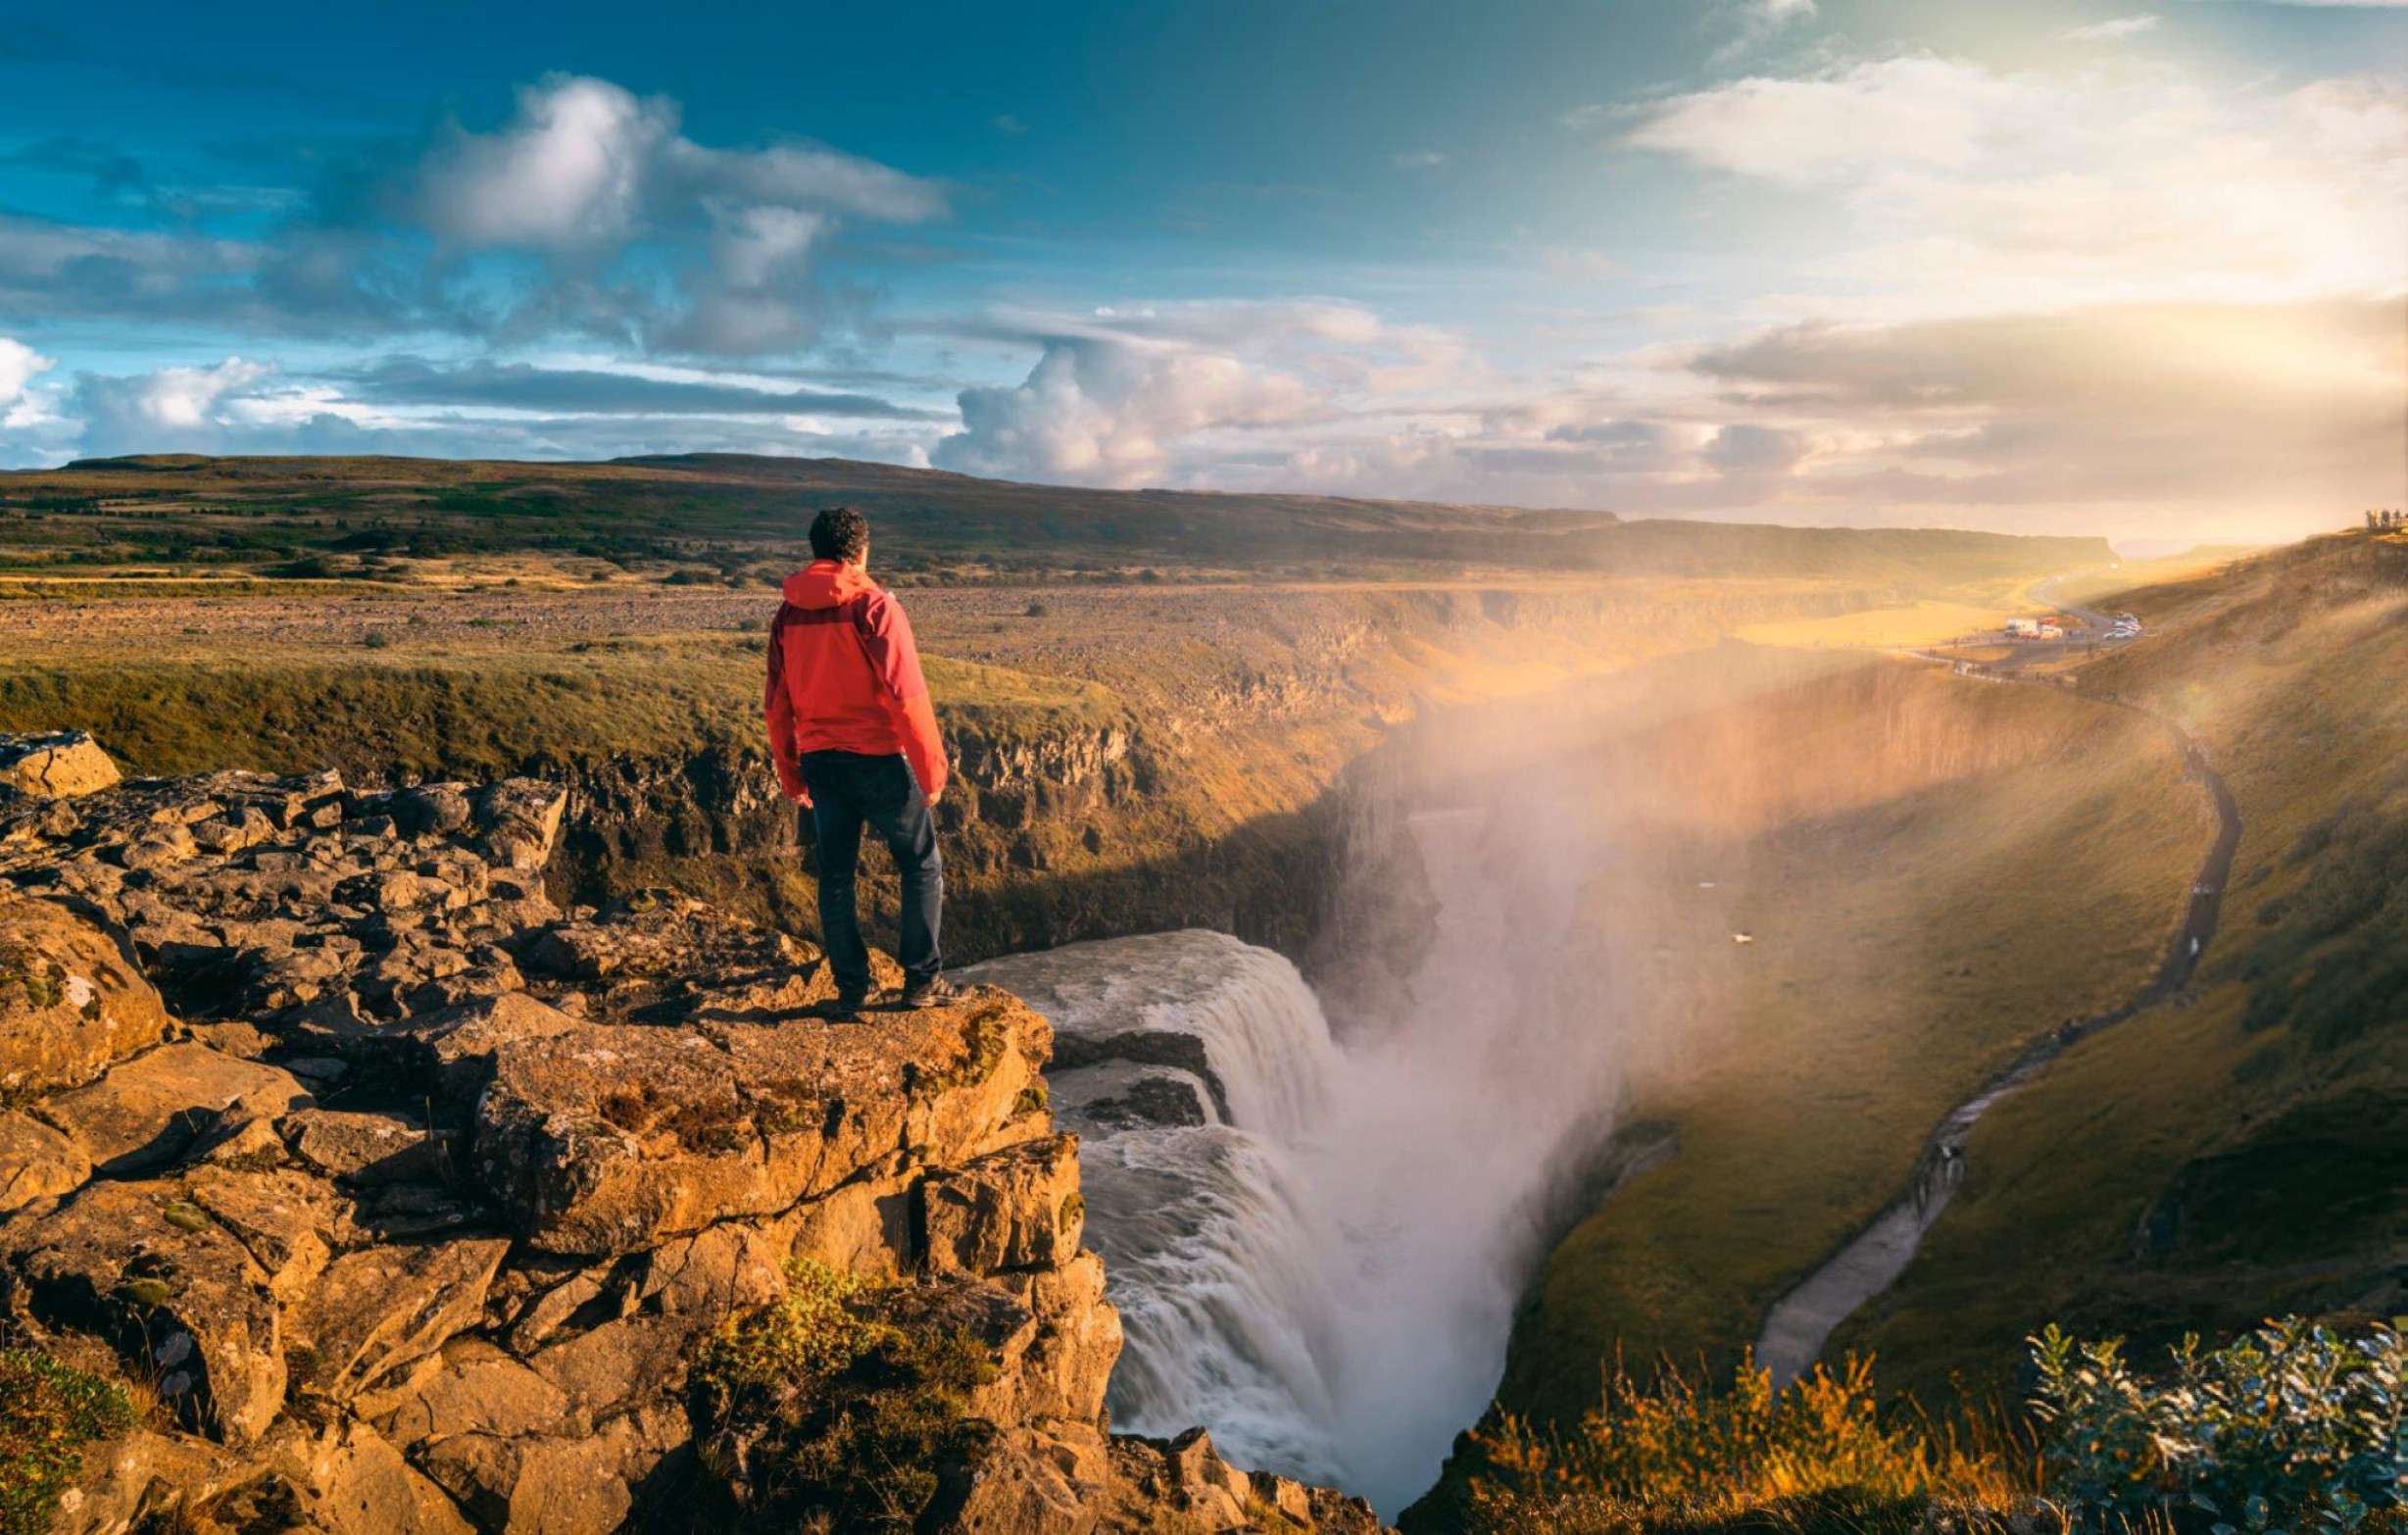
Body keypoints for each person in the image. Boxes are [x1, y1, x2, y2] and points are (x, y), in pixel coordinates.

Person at [764, 506, 958, 1015]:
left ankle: (853, 989)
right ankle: (921, 983)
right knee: (920, 864)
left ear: (816, 550)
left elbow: (777, 703)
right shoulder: (874, 606)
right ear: (861, 551)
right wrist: (931, 771)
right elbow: (907, 696)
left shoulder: (788, 615)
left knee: (835, 876)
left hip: (821, 762)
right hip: (876, 759)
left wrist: (791, 775)